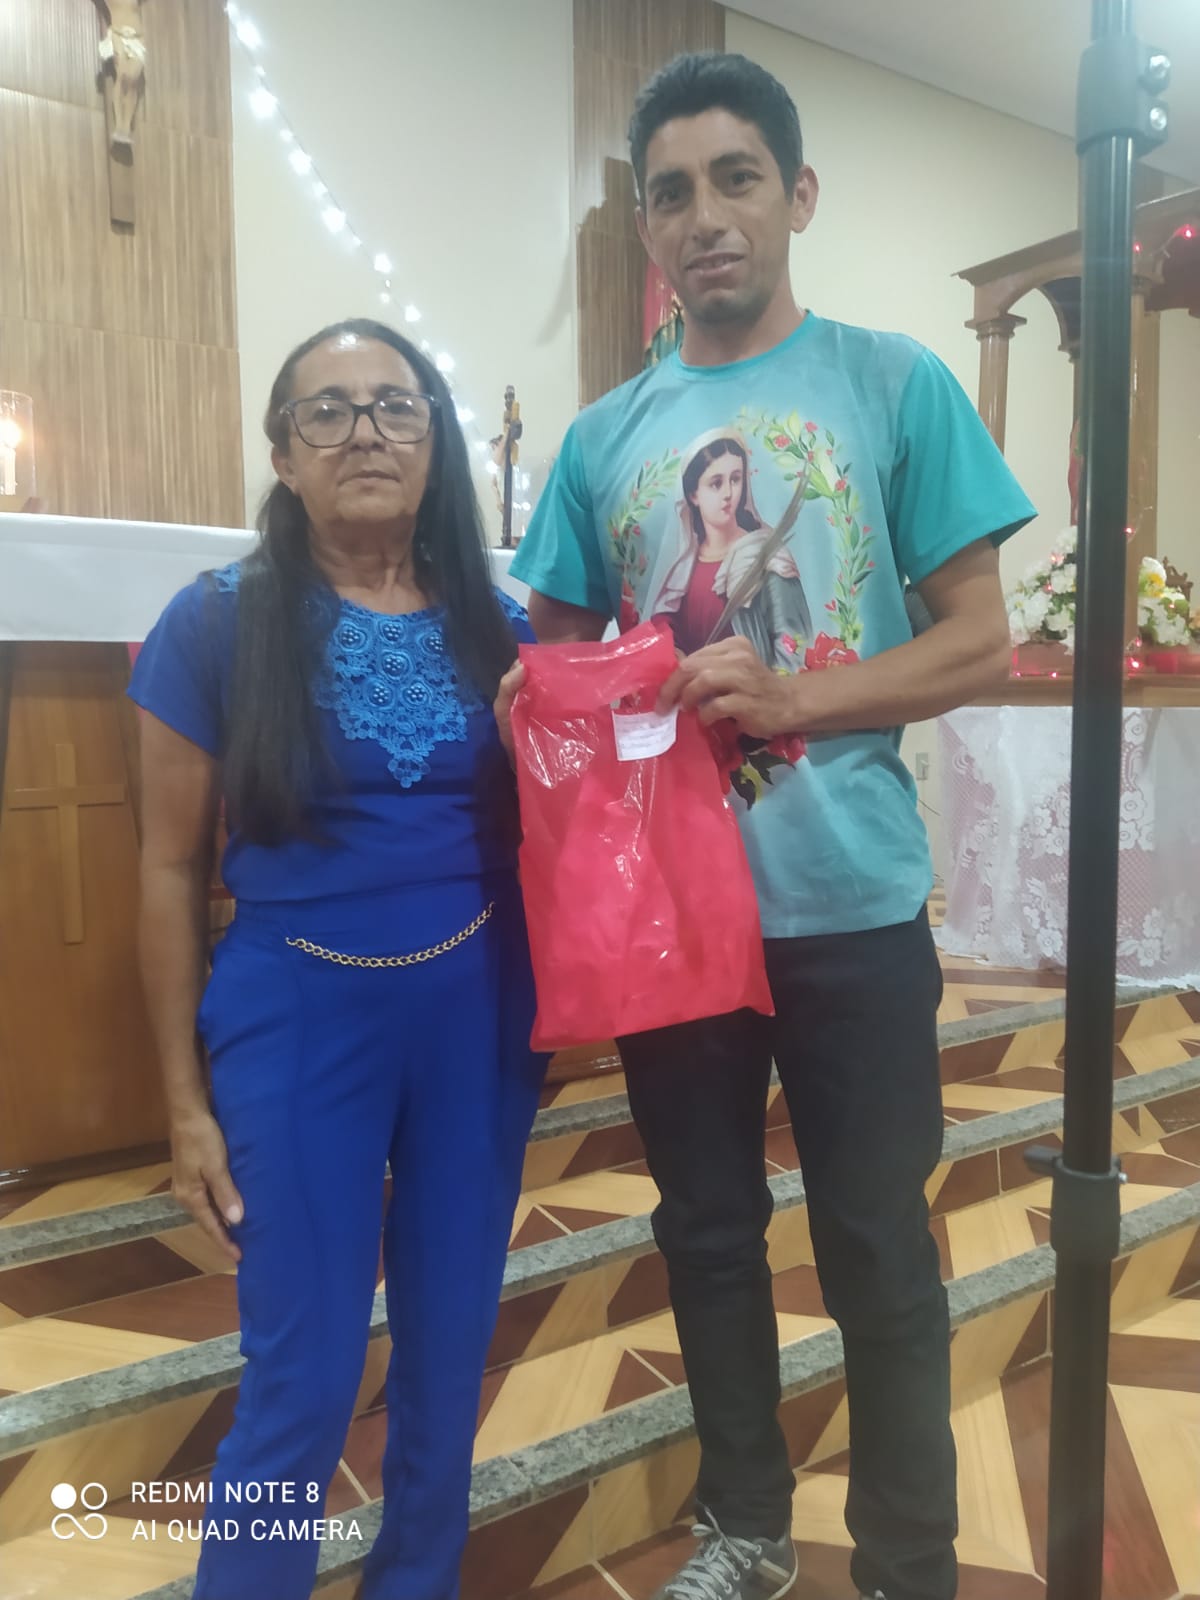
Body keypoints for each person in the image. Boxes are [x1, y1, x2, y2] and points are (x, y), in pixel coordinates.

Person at [503, 51, 1034, 1600]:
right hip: (672, 920)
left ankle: (908, 1562)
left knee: (877, 1246)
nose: (706, 216)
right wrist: (555, 701)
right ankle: (747, 1528)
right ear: (648, 229)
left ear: (797, 196)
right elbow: (557, 669)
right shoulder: (604, 438)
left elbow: (981, 640)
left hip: (850, 903)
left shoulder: (894, 384)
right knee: (709, 1233)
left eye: (737, 178)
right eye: (673, 192)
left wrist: (796, 697)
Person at [130, 318, 545, 1600]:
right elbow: (165, 870)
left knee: (449, 1351)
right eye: (329, 410)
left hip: (481, 1016)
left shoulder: (506, 628)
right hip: (296, 1017)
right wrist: (183, 1105)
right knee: (301, 1376)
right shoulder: (215, 624)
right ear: (282, 453)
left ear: (435, 442)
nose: (366, 431)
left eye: (395, 406)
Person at [647, 429, 812, 666]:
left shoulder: (768, 558)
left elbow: (794, 648)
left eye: (735, 479)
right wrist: (672, 653)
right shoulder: (683, 570)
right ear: (693, 494)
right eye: (716, 483)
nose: (728, 493)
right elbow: (663, 631)